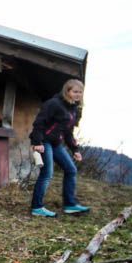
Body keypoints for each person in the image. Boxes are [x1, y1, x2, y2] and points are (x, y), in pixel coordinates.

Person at [28, 79, 90, 217]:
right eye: (75, 92)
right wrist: (37, 142)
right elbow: (39, 123)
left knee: (71, 169)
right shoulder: (53, 104)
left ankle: (70, 205)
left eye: (80, 92)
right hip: (44, 141)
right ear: (67, 91)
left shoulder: (73, 109)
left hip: (56, 143)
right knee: (47, 173)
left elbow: (68, 132)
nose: (78, 95)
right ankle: (37, 207)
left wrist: (75, 150)